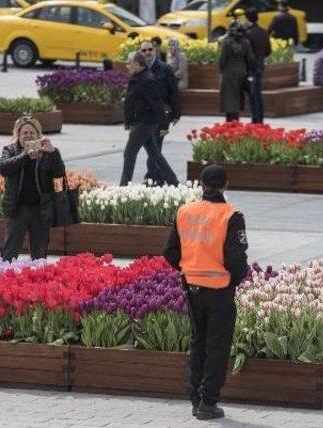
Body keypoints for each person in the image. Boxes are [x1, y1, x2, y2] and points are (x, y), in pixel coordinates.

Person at [163, 165, 248, 421]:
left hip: (192, 286)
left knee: (198, 342)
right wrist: (235, 278)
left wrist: (188, 268)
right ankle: (208, 402)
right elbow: (236, 258)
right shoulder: (231, 214)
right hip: (220, 288)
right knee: (217, 346)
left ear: (201, 184)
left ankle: (195, 398)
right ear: (225, 184)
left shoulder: (185, 211)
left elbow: (169, 251)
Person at [0, 116, 66, 262]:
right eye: (25, 133)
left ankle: (38, 282)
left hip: (40, 210)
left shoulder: (48, 152)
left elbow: (59, 173)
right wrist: (25, 156)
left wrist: (53, 152)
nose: (28, 136)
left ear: (38, 135)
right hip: (17, 210)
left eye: (31, 133)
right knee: (9, 253)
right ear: (18, 135)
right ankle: (5, 281)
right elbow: (3, 168)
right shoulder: (10, 150)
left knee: (40, 255)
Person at [120, 51, 179, 187]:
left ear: (136, 64)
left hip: (144, 123)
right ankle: (174, 182)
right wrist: (128, 121)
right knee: (155, 154)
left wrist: (164, 125)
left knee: (129, 154)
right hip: (139, 122)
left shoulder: (147, 80)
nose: (127, 66)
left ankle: (123, 188)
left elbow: (157, 104)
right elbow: (132, 101)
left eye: (129, 63)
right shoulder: (138, 77)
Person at [140, 39, 180, 185]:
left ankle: (153, 176)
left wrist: (176, 113)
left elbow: (174, 92)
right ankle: (161, 176)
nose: (147, 52)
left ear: (155, 50)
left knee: (155, 146)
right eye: (144, 50)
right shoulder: (139, 69)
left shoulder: (165, 69)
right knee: (152, 147)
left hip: (162, 114)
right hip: (144, 116)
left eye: (150, 49)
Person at [219, 23, 255, 122]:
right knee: (238, 97)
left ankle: (229, 122)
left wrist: (221, 70)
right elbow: (251, 58)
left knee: (228, 98)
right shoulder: (246, 43)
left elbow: (222, 60)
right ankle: (236, 121)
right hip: (241, 72)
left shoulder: (226, 42)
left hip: (228, 73)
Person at [243, 7, 271, 124]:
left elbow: (246, 52)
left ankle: (256, 120)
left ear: (247, 18)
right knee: (257, 94)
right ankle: (259, 119)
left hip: (251, 68)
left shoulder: (248, 34)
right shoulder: (264, 32)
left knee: (253, 95)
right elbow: (268, 50)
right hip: (260, 66)